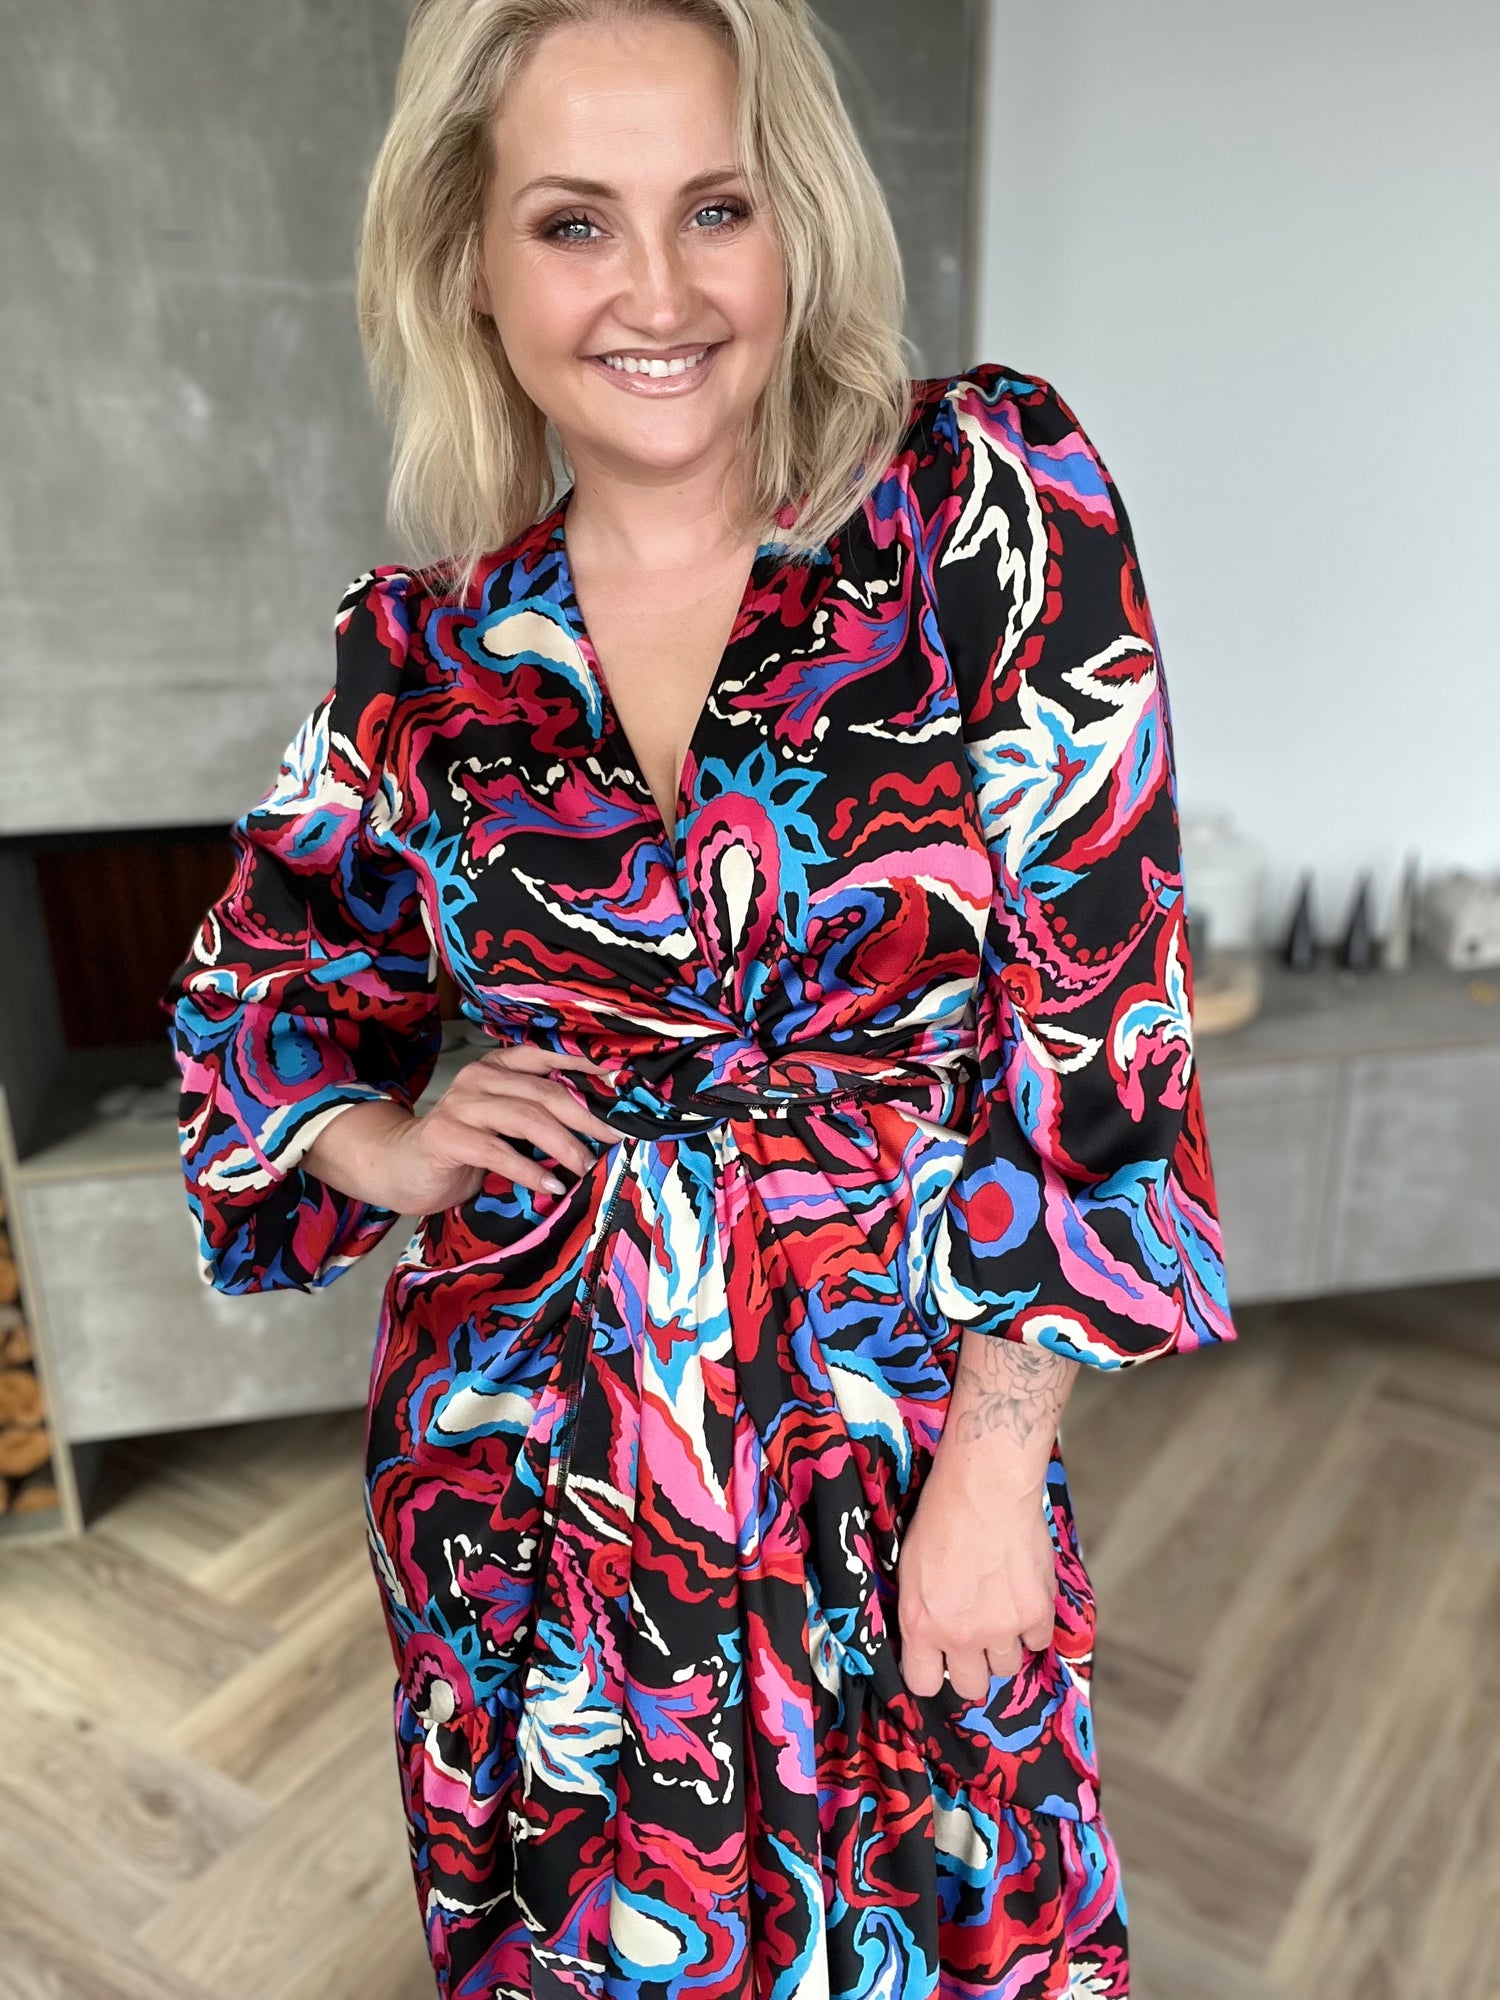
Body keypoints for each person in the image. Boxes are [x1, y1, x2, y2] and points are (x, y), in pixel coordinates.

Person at [163, 1, 1236, 1994]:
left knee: (946, 1919)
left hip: (889, 1433)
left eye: (716, 208)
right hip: (525, 1460)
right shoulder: (422, 655)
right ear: (470, 265)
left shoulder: (976, 501)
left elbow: (1104, 1005)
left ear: (796, 225)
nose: (656, 293)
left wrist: (997, 1465)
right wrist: (381, 1141)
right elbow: (260, 976)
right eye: (574, 222)